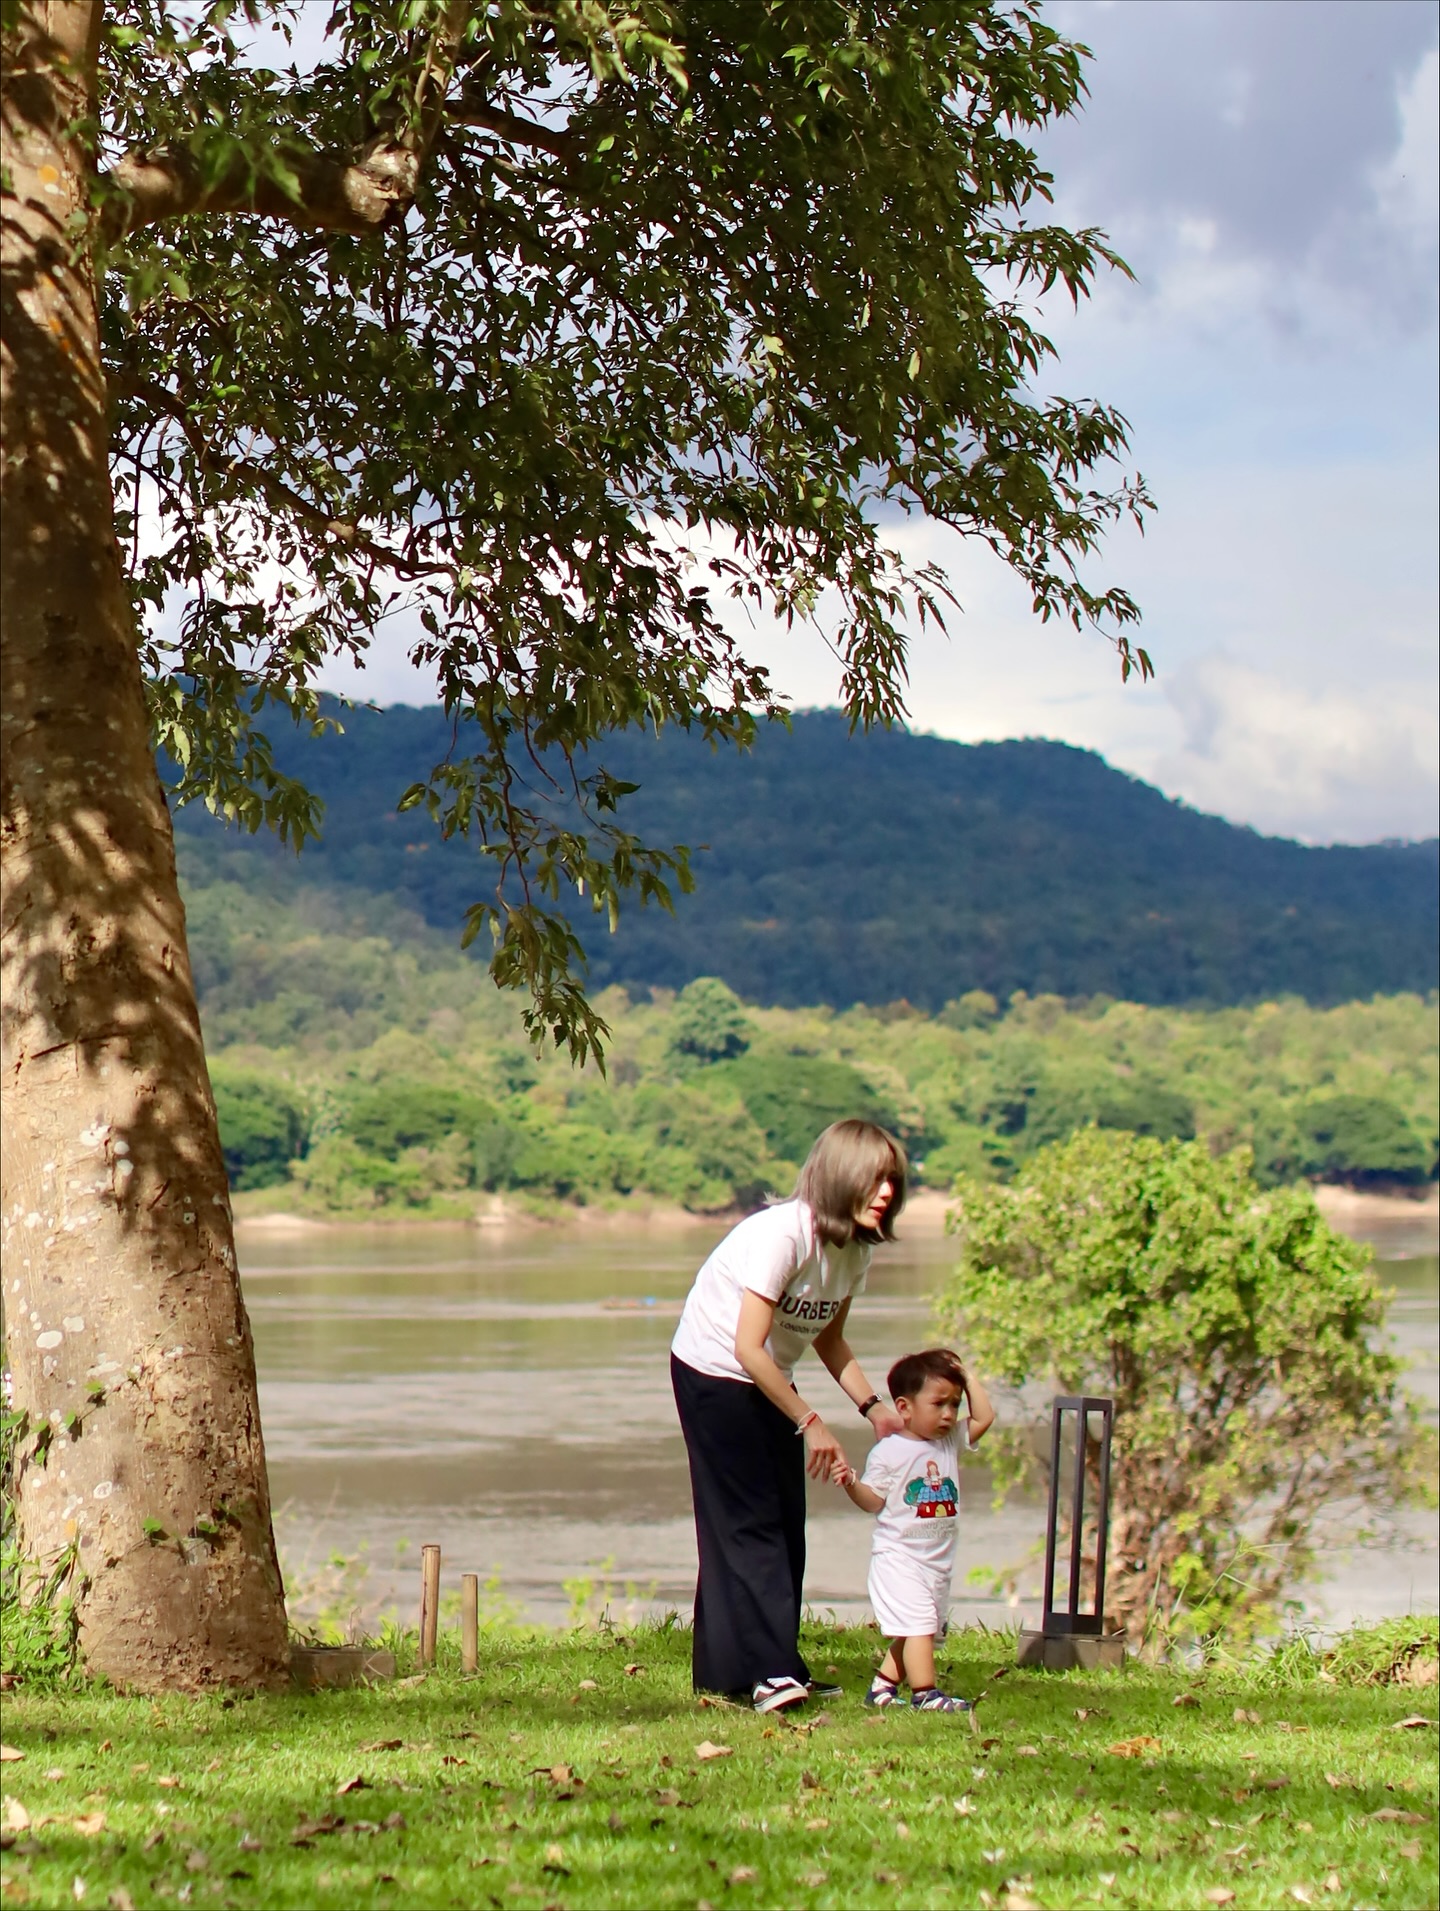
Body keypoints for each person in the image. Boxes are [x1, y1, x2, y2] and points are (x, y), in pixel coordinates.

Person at [670, 1119, 908, 1713]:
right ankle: (769, 1672)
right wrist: (811, 1422)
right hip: (712, 1371)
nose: (887, 1193)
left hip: (768, 1375)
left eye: (893, 1182)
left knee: (783, 1521)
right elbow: (748, 1347)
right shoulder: (785, 1235)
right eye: (875, 1179)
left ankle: (737, 1670)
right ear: (841, 1178)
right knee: (750, 1526)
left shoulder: (853, 1250)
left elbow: (829, 1337)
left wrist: (875, 1409)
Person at [833, 1345, 995, 1713]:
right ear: (904, 1408)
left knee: (916, 1632)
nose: (949, 1414)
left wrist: (966, 1376)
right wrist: (850, 1483)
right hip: (900, 1559)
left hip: (936, 1562)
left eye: (954, 1404)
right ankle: (926, 1694)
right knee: (920, 1625)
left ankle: (883, 1688)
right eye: (938, 1404)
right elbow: (873, 1500)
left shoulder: (949, 1440)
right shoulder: (890, 1452)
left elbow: (984, 1417)